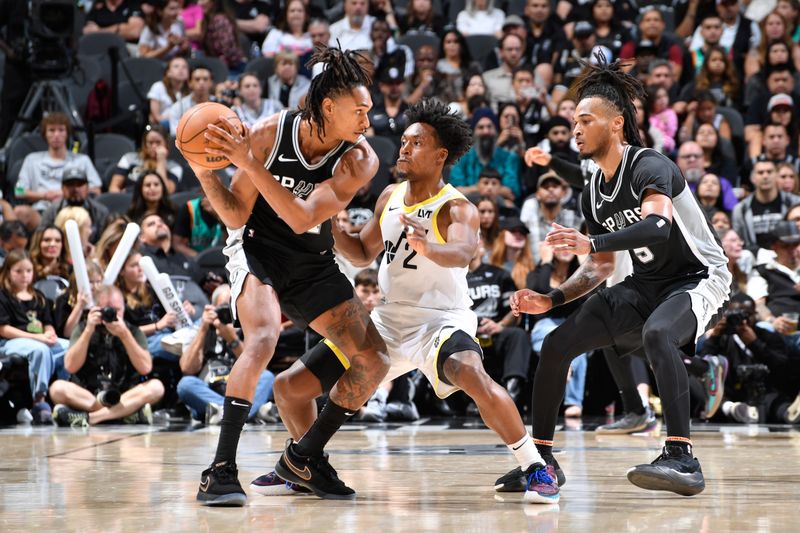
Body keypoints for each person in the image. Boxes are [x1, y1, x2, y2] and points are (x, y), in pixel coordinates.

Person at [250, 98, 560, 503]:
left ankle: (536, 467)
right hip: (388, 320)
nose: (404, 149)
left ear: (440, 155)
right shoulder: (390, 197)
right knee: (289, 388)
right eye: (403, 142)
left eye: (415, 144)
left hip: (441, 320)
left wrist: (428, 245)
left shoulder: (456, 207)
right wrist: (333, 229)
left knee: (471, 374)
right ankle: (307, 466)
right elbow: (362, 253)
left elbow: (463, 252)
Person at [510, 59, 731, 496]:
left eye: (584, 120)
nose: (574, 129)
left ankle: (682, 456)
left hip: (697, 278)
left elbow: (658, 226)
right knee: (557, 344)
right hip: (645, 284)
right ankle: (542, 460)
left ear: (615, 125)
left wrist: (591, 243)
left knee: (657, 335)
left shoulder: (651, 164)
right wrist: (552, 300)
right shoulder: (593, 189)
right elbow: (603, 267)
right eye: (573, 121)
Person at [185, 45, 390, 505]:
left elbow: (302, 219)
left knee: (373, 360)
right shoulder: (266, 134)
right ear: (328, 106)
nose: (367, 120)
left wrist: (248, 164)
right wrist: (205, 173)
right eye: (359, 110)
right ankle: (218, 471)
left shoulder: (360, 160)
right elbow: (236, 214)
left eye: (369, 110)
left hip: (311, 256)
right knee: (262, 338)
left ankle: (305, 456)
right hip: (257, 246)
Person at [49, 285, 164, 427]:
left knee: (156, 387)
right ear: (95, 309)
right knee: (57, 389)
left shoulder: (133, 331)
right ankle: (126, 414)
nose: (111, 314)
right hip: (90, 395)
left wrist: (125, 335)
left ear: (124, 308)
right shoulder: (83, 328)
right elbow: (70, 367)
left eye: (116, 310)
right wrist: (88, 331)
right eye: (105, 310)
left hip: (124, 395)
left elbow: (145, 368)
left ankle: (92, 418)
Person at [177, 284, 275, 425]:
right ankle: (249, 413)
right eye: (223, 307)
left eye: (232, 307)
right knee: (185, 385)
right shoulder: (201, 326)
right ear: (213, 307)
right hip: (208, 394)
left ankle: (226, 413)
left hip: (241, 391)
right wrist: (203, 330)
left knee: (267, 376)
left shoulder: (248, 326)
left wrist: (232, 339)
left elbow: (255, 366)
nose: (227, 313)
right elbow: (187, 368)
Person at [15, 113, 102, 213]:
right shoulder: (32, 160)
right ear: (45, 134)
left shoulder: (82, 160)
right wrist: (44, 195)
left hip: (74, 209)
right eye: (51, 130)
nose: (56, 135)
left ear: (67, 133)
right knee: (20, 211)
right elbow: (19, 191)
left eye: (61, 130)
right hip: (41, 209)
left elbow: (96, 190)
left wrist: (65, 193)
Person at [39, 168, 110, 244]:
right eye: (70, 184)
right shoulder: (51, 211)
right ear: (62, 188)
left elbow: (104, 241)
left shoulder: (100, 211)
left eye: (80, 184)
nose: (75, 189)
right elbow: (41, 237)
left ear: (87, 187)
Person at [110, 125, 183, 194]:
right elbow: (113, 187)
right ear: (145, 144)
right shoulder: (129, 159)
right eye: (150, 143)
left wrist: (161, 161)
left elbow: (167, 191)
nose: (154, 146)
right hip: (129, 200)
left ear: (166, 144)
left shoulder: (174, 167)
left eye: (158, 142)